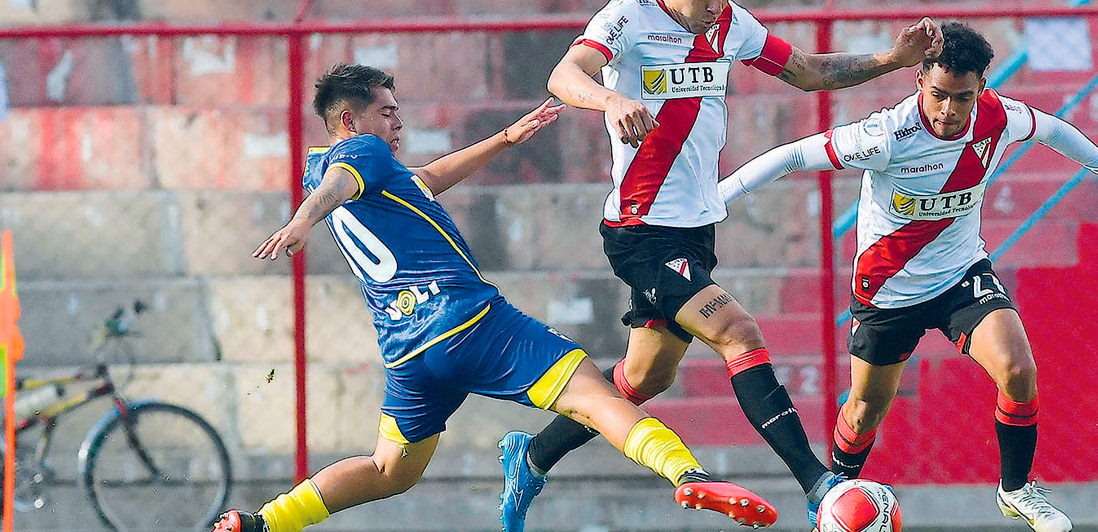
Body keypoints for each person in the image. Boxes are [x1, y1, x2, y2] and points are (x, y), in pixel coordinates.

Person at [497, 0, 944, 532]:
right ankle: (820, 483)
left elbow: (807, 71)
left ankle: (533, 453)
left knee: (645, 376)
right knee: (738, 329)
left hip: (696, 230)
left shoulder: (731, 25)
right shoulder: (628, 18)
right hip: (640, 230)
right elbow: (564, 76)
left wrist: (892, 59)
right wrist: (613, 99)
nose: (716, 7)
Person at [210, 64, 782, 532]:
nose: (396, 124)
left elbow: (421, 182)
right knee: (590, 393)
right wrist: (302, 223)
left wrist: (504, 139)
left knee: (390, 471)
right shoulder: (359, 155)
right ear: (348, 120)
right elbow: (341, 188)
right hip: (470, 322)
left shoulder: (329, 165)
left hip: (409, 354)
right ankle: (687, 475)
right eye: (386, 112)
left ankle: (263, 524)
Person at [717, 21, 1098, 532]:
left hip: (960, 275)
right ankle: (832, 500)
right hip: (888, 291)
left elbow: (1054, 130)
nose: (950, 110)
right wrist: (719, 198)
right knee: (865, 411)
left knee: (1019, 371)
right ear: (919, 83)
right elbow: (795, 154)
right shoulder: (887, 135)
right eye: (939, 95)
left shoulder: (998, 117)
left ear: (981, 89)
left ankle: (1017, 490)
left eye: (963, 97)